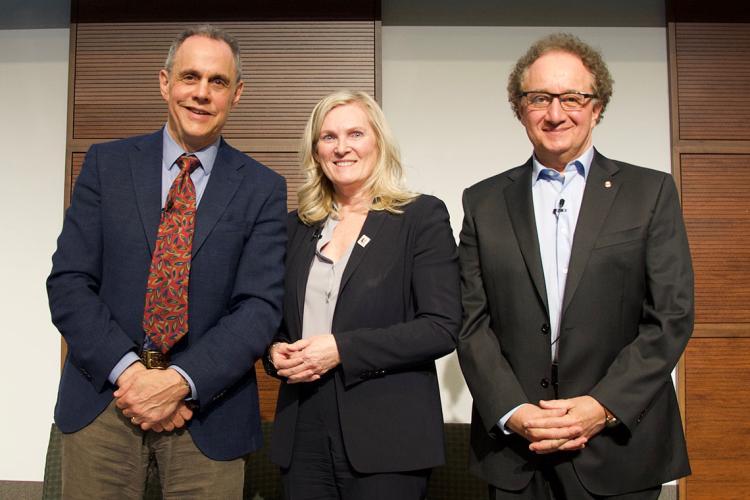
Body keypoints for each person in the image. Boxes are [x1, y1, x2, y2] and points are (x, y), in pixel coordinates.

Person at [47, 25, 286, 498]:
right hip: (105, 402)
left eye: (217, 82)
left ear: (237, 95)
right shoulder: (105, 165)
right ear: (164, 82)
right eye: (190, 76)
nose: (201, 93)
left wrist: (179, 382)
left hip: (208, 412)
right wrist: (132, 375)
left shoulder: (263, 188)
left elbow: (259, 307)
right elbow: (70, 282)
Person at [457, 33, 694, 499]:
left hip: (618, 446)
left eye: (572, 98)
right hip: (516, 452)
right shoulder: (483, 201)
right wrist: (513, 410)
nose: (555, 113)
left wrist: (601, 406)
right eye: (539, 98)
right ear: (519, 107)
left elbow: (671, 317)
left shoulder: (651, 193)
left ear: (597, 107)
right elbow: (471, 322)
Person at [264, 90, 461, 499]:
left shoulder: (419, 218)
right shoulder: (295, 227)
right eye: (328, 137)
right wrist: (274, 353)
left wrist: (342, 349)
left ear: (378, 142)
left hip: (387, 436)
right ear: (315, 150)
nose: (341, 148)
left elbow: (441, 328)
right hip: (303, 431)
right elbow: (275, 322)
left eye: (355, 133)